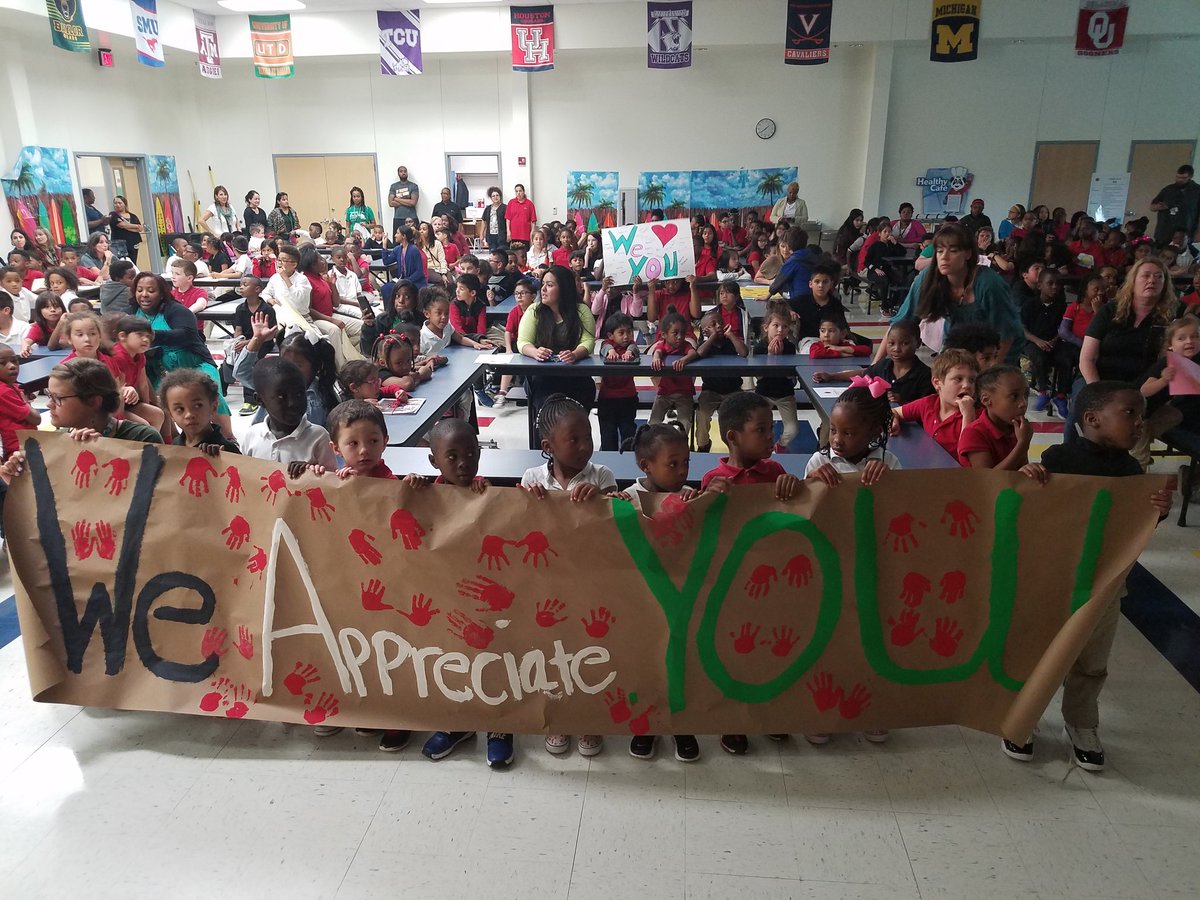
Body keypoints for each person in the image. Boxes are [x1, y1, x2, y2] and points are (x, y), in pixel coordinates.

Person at [1014, 381, 1173, 770]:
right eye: (1130, 413)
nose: (1139, 423)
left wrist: (1158, 510)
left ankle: (1081, 722)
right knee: (1036, 650)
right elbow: (1029, 512)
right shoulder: (1058, 458)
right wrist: (1027, 478)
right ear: (1092, 419)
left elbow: (1135, 529)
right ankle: (1021, 717)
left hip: (1106, 584)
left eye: (1140, 414)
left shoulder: (1132, 470)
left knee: (1091, 660)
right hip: (1054, 579)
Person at [520, 393, 616, 759]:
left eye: (587, 438)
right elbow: (521, 526)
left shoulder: (601, 475)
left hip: (592, 582)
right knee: (553, 651)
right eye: (572, 440)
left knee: (590, 649)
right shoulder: (533, 478)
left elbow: (617, 520)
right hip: (548, 585)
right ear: (548, 446)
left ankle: (589, 718)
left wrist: (604, 497)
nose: (583, 447)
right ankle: (558, 716)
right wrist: (526, 500)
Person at [617, 422, 703, 763]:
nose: (683, 471)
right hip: (642, 600)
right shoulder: (628, 498)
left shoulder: (689, 496)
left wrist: (696, 504)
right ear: (645, 466)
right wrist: (613, 507)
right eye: (673, 464)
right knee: (646, 661)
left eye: (686, 462)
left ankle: (683, 723)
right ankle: (647, 725)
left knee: (681, 661)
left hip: (681, 597)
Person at [880, 223, 1022, 361]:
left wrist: (989, 374)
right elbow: (901, 322)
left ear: (968, 254)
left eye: (953, 251)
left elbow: (1006, 336)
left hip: (997, 354)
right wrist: (873, 368)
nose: (944, 257)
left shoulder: (989, 283)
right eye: (940, 251)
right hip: (956, 350)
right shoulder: (929, 276)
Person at [1074, 257, 1178, 443]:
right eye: (1145, 276)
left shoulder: (1171, 317)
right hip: (1099, 380)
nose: (1152, 281)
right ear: (1133, 280)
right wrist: (1099, 393)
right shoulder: (1110, 310)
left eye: (1158, 277)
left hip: (1141, 386)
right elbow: (1087, 359)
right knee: (1083, 411)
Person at [132, 272, 231, 436]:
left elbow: (186, 335)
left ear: (162, 293)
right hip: (157, 370)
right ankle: (175, 439)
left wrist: (150, 335)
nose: (144, 295)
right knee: (159, 401)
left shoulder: (176, 310)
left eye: (151, 290)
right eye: (139, 290)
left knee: (209, 394)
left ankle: (228, 437)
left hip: (194, 365)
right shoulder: (133, 311)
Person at [516, 265, 597, 434]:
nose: (543, 289)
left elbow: (588, 341)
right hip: (543, 377)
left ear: (564, 288)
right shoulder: (534, 311)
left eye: (550, 285)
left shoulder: (581, 311)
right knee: (549, 419)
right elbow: (523, 342)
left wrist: (575, 354)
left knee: (575, 416)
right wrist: (535, 352)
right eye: (543, 284)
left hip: (575, 376)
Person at [813, 317, 932, 406]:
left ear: (918, 342)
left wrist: (903, 401)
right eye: (891, 343)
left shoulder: (925, 375)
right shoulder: (884, 365)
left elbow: (928, 408)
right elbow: (862, 374)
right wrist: (831, 376)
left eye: (905, 343)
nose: (896, 349)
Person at [45, 358, 163, 443]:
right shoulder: (58, 442)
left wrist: (103, 451)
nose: (49, 404)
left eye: (58, 398)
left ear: (94, 402)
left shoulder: (143, 439)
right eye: (49, 396)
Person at [1134, 314, 1199, 467]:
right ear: (1171, 345)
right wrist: (1163, 380)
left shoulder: (1194, 360)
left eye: (1195, 337)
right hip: (1138, 412)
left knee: (1173, 416)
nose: (1189, 341)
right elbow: (1144, 390)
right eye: (1181, 338)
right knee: (1139, 453)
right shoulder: (1167, 363)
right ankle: (1136, 474)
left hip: (1156, 411)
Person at [892, 348, 979, 462]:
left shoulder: (977, 416)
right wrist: (893, 421)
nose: (966, 385)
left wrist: (968, 416)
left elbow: (967, 460)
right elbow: (894, 411)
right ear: (937, 383)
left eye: (972, 380)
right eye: (958, 379)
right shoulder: (929, 403)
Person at [691, 308, 749, 453]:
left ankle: (738, 447)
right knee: (702, 416)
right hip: (710, 391)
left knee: (738, 419)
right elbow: (700, 353)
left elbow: (744, 352)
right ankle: (703, 444)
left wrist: (731, 335)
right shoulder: (705, 346)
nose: (718, 326)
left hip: (733, 390)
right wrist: (710, 338)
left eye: (720, 323)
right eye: (713, 324)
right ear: (704, 331)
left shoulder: (730, 342)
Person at [957, 366, 1032, 470]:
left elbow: (1021, 469)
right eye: (1014, 396)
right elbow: (987, 481)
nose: (1023, 403)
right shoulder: (974, 433)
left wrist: (1031, 470)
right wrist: (1022, 444)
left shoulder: (1017, 428)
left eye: (1026, 395)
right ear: (986, 400)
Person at [752, 302, 800, 453]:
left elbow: (791, 376)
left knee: (793, 429)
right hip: (763, 393)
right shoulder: (759, 347)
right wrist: (770, 357)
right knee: (758, 425)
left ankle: (781, 445)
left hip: (785, 394)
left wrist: (780, 359)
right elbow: (758, 376)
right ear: (766, 327)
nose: (780, 330)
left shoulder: (790, 347)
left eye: (785, 326)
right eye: (776, 326)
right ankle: (761, 446)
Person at [161, 368, 240, 454]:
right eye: (180, 409)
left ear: (213, 407)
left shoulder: (227, 449)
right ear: (170, 414)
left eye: (197, 406)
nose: (189, 415)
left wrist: (223, 459)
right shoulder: (175, 447)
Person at [109, 315, 165, 433]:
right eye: (140, 335)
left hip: (129, 403)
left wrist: (146, 405)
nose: (145, 340)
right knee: (144, 427)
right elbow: (115, 391)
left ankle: (155, 448)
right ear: (122, 336)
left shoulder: (139, 355)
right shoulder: (116, 356)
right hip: (113, 407)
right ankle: (143, 449)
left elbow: (143, 384)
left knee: (158, 414)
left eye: (148, 337)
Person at [595, 312, 640, 451]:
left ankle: (629, 462)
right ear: (611, 335)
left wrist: (630, 353)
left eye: (629, 332)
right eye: (621, 333)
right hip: (607, 400)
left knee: (628, 433)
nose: (626, 336)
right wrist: (611, 351)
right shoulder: (606, 345)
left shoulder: (631, 346)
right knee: (608, 434)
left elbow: (634, 348)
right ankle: (610, 462)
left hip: (628, 398)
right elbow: (605, 347)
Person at [648, 311, 698, 437]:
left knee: (685, 422)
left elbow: (693, 353)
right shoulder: (662, 346)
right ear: (664, 335)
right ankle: (653, 444)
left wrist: (683, 360)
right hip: (664, 392)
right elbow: (657, 352)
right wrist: (656, 359)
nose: (680, 337)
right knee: (653, 422)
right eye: (675, 333)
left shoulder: (685, 346)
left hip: (684, 393)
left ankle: (680, 443)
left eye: (682, 333)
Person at [1022, 269, 1065, 411]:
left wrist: (1055, 339)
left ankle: (1061, 396)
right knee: (1039, 358)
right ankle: (1043, 392)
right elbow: (1022, 329)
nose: (1054, 287)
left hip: (1054, 341)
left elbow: (1064, 328)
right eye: (1050, 283)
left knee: (1067, 357)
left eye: (1057, 284)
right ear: (1040, 285)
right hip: (1033, 341)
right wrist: (1038, 341)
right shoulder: (1029, 304)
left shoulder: (1061, 305)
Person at [0, 344, 39, 459]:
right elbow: (36, 419)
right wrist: (26, 402)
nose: (12, 366)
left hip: (29, 443)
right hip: (19, 451)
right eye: (2, 363)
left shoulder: (13, 386)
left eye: (14, 361)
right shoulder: (3, 392)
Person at [1150, 164, 1200, 245]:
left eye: (1183, 178)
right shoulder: (1168, 189)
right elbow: (1152, 207)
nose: (1179, 180)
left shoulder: (1197, 191)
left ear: (1190, 177)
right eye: (1178, 177)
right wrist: (1160, 207)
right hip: (1164, 233)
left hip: (1185, 233)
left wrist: (1198, 234)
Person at [108, 195, 145, 266]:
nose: (117, 205)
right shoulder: (113, 215)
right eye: (115, 203)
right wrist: (135, 226)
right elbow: (122, 225)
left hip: (133, 243)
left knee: (133, 263)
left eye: (119, 203)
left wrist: (131, 227)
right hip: (119, 244)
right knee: (122, 264)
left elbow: (140, 229)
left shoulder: (133, 216)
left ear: (124, 204)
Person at [504, 184, 537, 249]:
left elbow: (533, 220)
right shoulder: (511, 202)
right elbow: (508, 219)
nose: (518, 193)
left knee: (524, 254)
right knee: (515, 255)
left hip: (525, 235)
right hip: (514, 235)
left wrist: (532, 233)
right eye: (516, 191)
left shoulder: (529, 204)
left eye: (520, 191)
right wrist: (508, 231)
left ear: (523, 192)